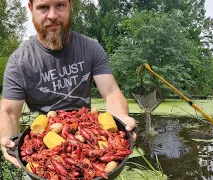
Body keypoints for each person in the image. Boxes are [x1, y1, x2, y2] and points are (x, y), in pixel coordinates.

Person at [0, 0, 136, 168]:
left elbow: (110, 92)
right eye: (43, 7)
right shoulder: (19, 62)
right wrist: (8, 140)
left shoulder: (91, 48)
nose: (52, 15)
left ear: (71, 5)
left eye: (60, 5)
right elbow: (10, 112)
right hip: (43, 143)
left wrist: (120, 119)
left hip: (87, 133)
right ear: (31, 9)